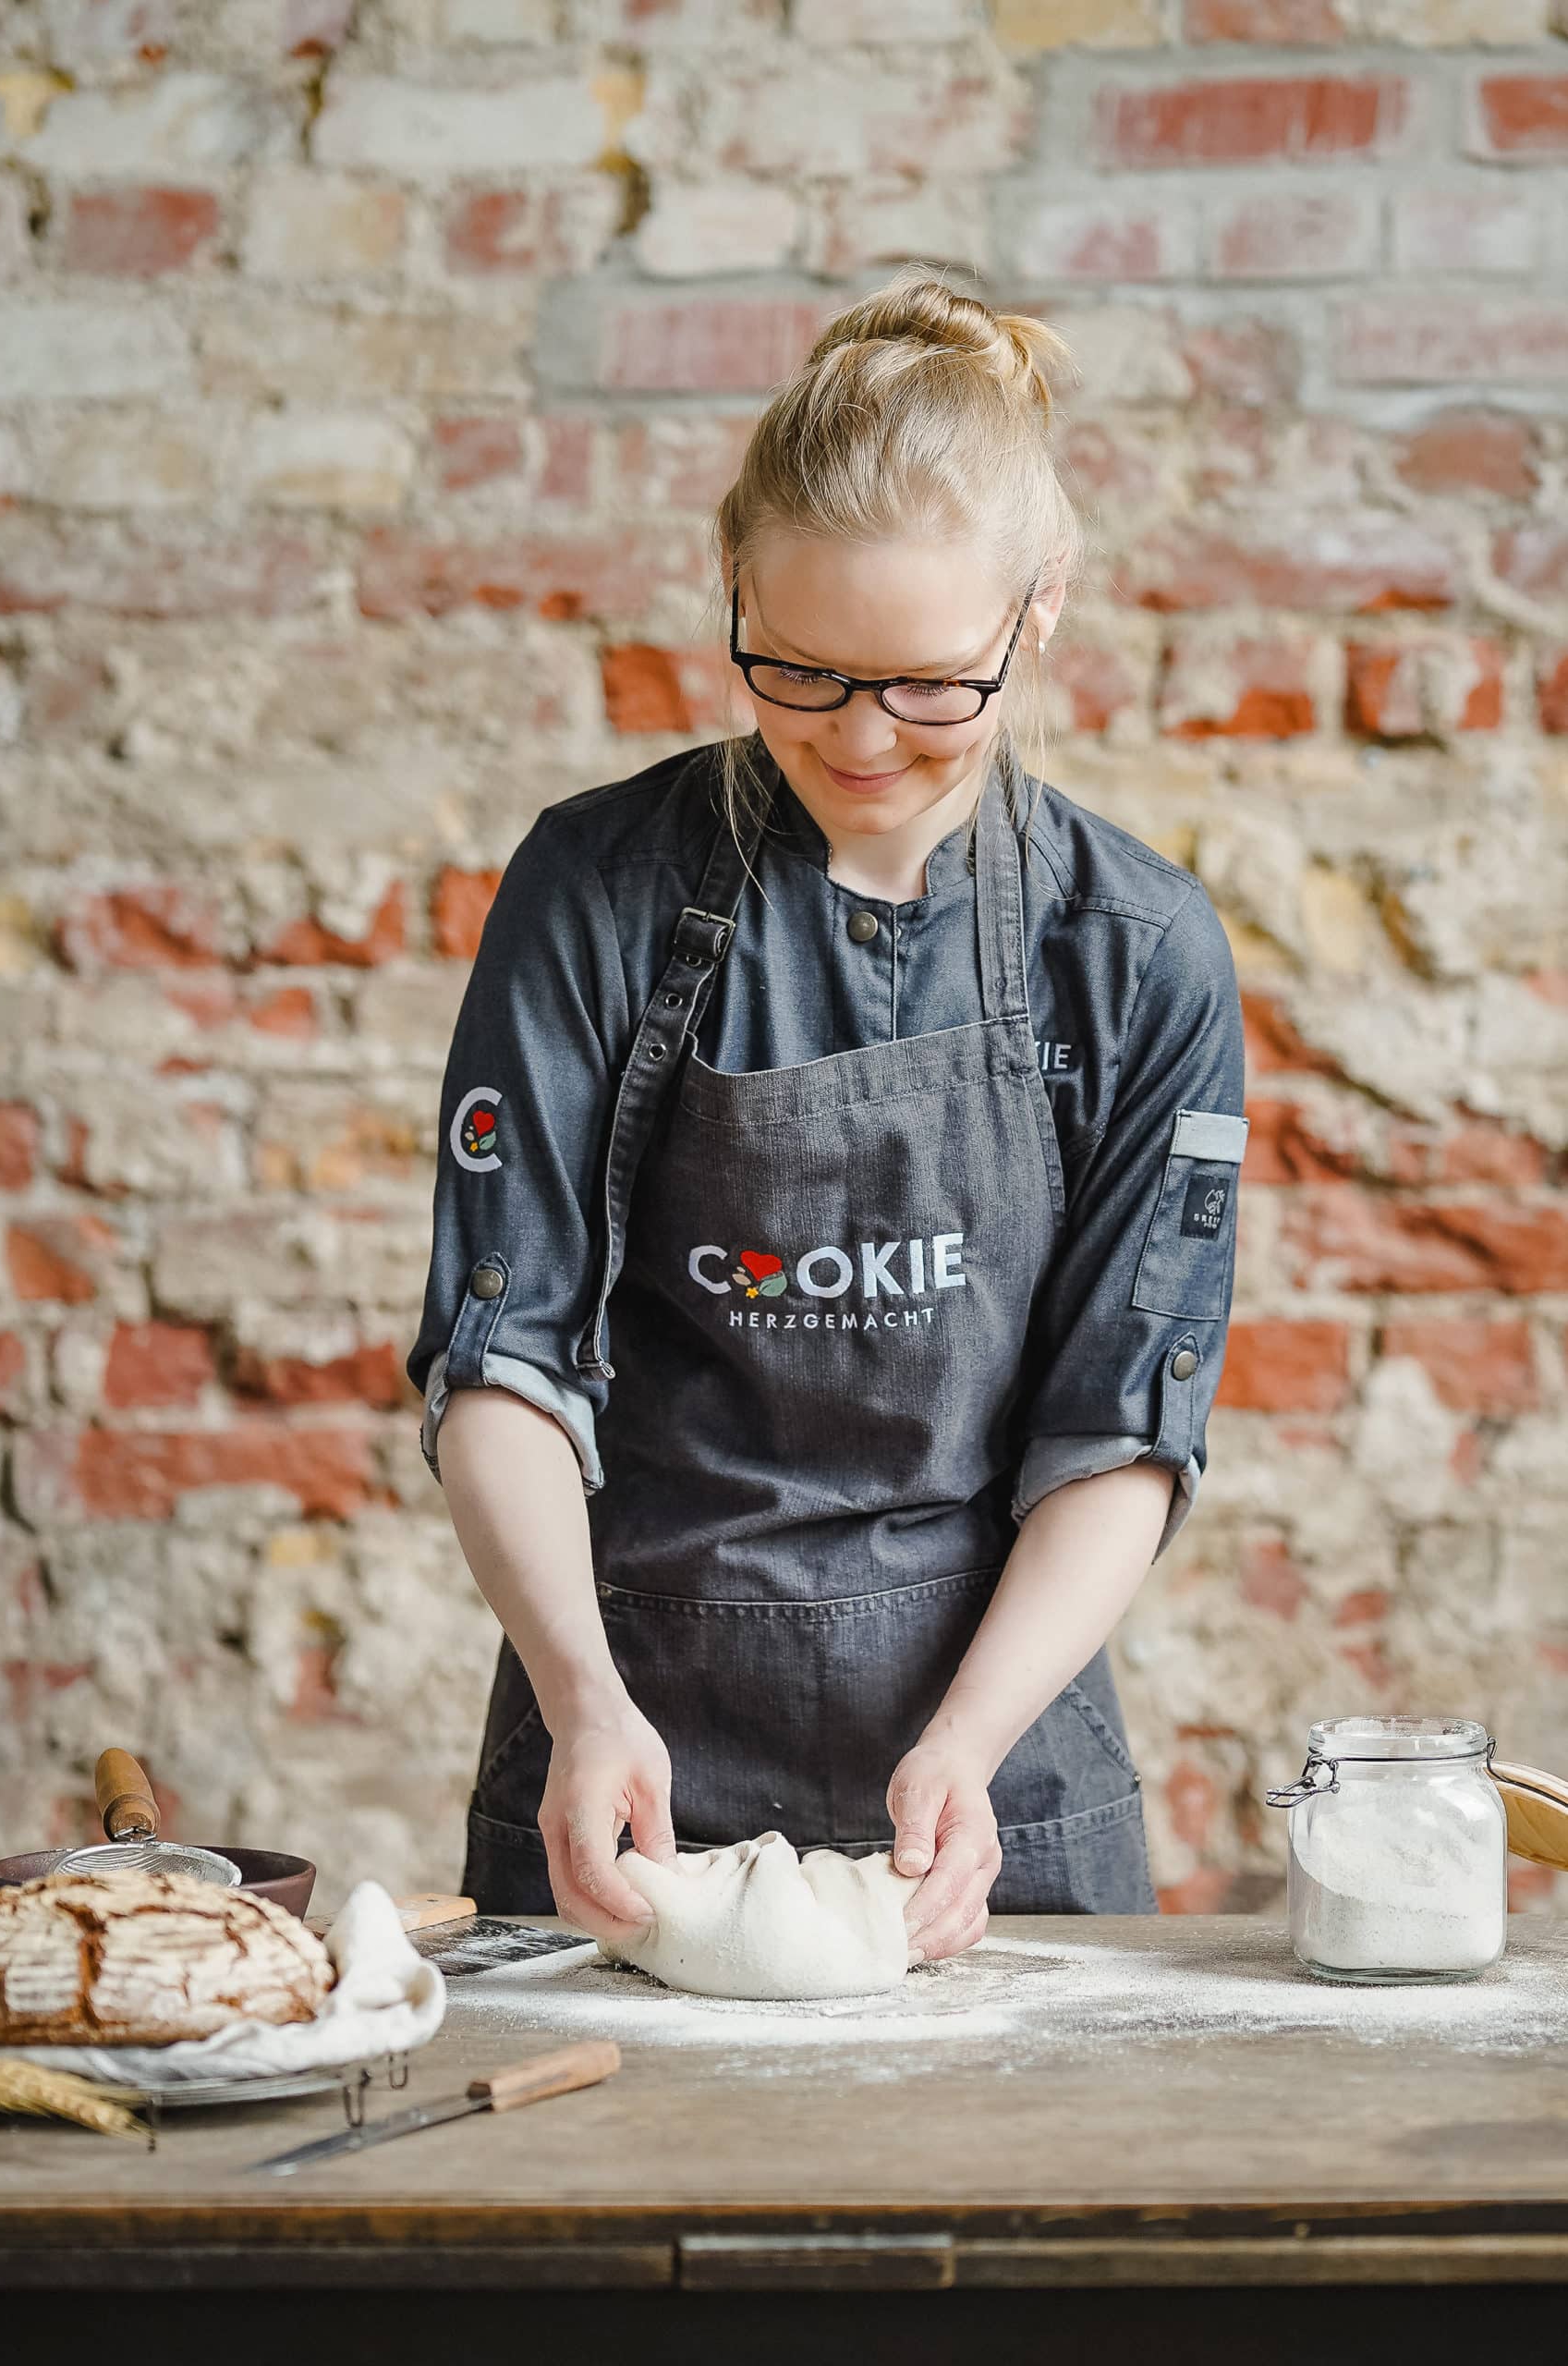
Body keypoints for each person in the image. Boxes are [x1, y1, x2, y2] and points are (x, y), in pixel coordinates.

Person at [406, 270, 1248, 1969]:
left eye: (935, 686)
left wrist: (967, 1744)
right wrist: (579, 1694)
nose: (862, 737)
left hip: (994, 1769)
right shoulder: (598, 892)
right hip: (627, 1746)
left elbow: (1122, 1430)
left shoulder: (1139, 951)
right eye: (797, 668)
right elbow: (502, 1356)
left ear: (1042, 611)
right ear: (731, 584)